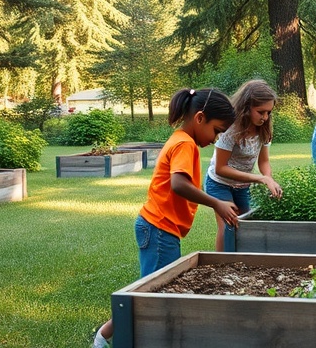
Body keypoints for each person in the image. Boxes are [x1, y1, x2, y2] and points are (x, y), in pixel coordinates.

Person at [93, 88, 237, 348]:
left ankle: (104, 335)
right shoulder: (184, 144)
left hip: (159, 227)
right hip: (160, 228)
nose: (216, 139)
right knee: (151, 292)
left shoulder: (180, 139)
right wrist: (216, 202)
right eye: (217, 130)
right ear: (200, 118)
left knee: (150, 289)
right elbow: (178, 184)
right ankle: (107, 337)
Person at [205, 79, 284, 251]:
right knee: (227, 226)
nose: (265, 117)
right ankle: (221, 266)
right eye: (260, 112)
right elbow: (221, 168)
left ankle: (239, 265)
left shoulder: (264, 128)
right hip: (219, 183)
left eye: (269, 112)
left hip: (243, 186)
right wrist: (261, 179)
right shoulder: (231, 129)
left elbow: (263, 161)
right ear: (246, 107)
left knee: (244, 227)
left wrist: (269, 180)